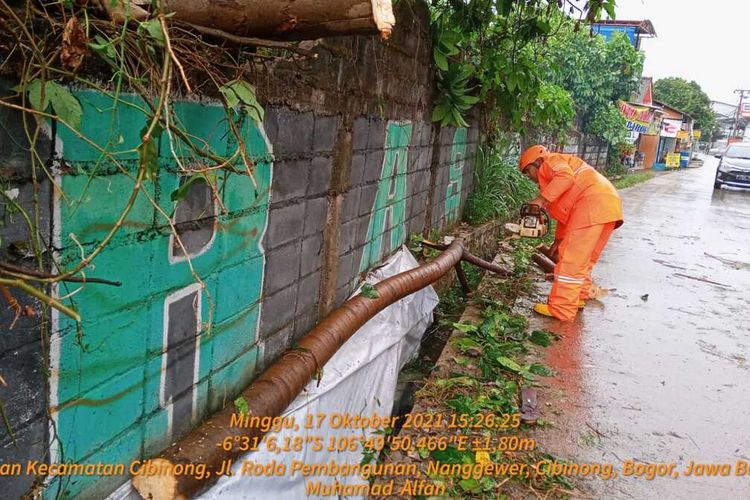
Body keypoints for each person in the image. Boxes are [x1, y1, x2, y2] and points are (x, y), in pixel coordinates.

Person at [519, 145, 623, 321]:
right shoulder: (559, 173)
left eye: (528, 171)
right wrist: (559, 240)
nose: (529, 177)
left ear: (537, 161)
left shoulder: (550, 162)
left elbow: (565, 177)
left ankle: (561, 309)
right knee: (585, 260)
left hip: (590, 204)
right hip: (607, 204)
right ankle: (579, 298)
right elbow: (565, 215)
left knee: (571, 261)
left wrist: (540, 200)